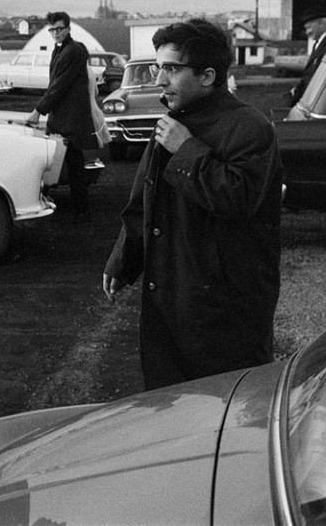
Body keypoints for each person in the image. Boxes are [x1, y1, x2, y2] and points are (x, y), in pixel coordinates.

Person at [103, 19, 283, 390]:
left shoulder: (249, 128)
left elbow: (237, 199)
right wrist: (124, 259)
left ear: (207, 76)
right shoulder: (173, 123)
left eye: (171, 69)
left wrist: (186, 148)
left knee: (223, 404)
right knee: (170, 401)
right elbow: (145, 200)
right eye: (158, 68)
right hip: (171, 297)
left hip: (225, 310)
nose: (159, 80)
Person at [24, 12, 94, 219]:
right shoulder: (61, 49)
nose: (55, 33)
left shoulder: (72, 51)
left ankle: (80, 211)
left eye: (59, 29)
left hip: (70, 121)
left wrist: (38, 111)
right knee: (64, 163)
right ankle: (75, 209)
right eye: (52, 30)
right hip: (64, 118)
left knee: (69, 165)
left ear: (68, 29)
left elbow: (58, 86)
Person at [287, 7, 326, 105]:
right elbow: (309, 74)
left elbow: (322, 77)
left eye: (309, 27)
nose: (307, 32)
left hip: (320, 100)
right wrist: (297, 89)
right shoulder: (319, 43)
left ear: (321, 23)